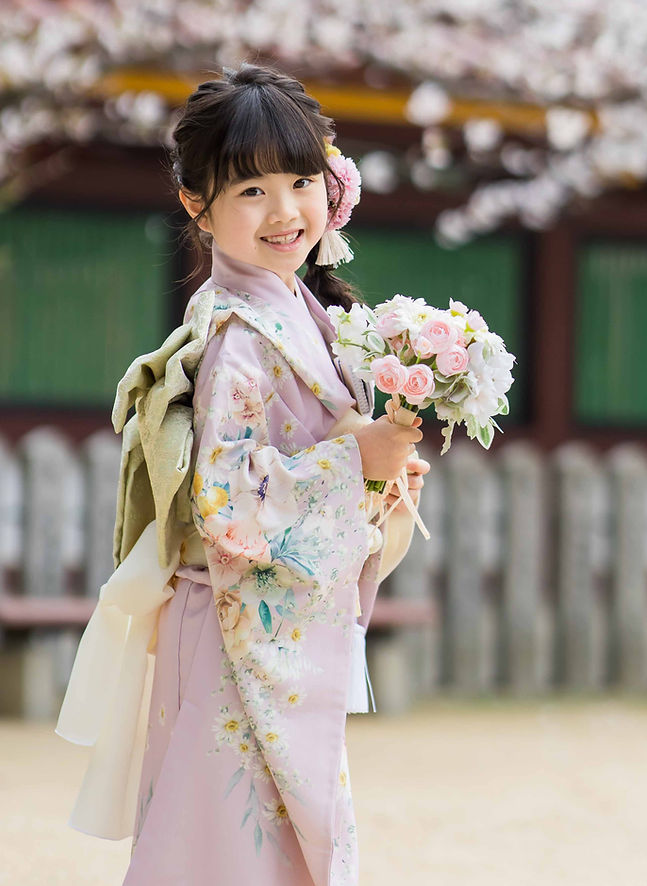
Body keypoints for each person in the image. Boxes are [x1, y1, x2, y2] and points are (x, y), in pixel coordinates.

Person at [62, 63, 430, 886]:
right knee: (223, 851)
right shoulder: (237, 334)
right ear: (198, 203)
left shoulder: (300, 313)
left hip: (256, 627)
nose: (286, 209)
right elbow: (223, 504)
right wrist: (354, 463)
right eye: (252, 190)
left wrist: (379, 472)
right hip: (230, 632)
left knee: (257, 851)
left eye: (301, 181)